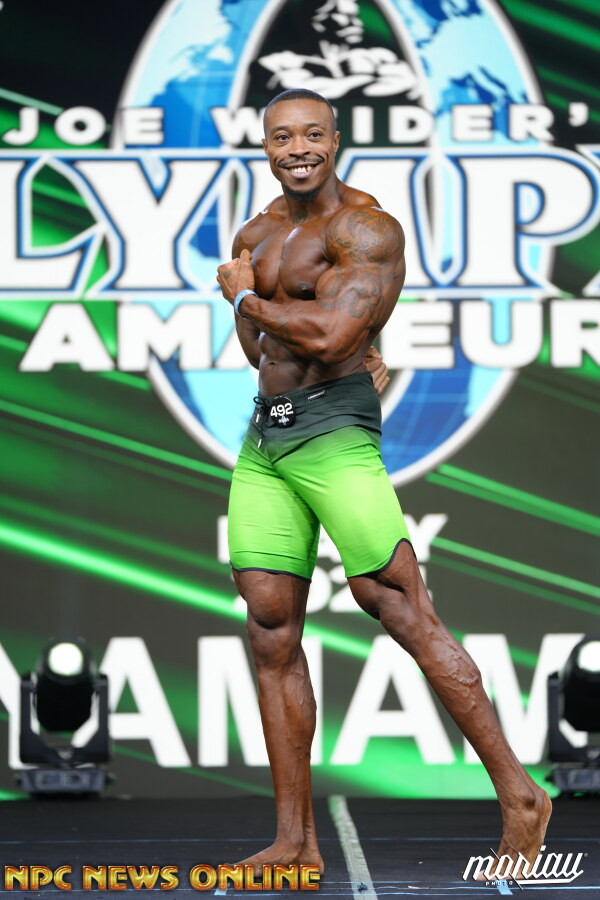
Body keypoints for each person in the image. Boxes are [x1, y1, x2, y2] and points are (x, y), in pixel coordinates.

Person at [216, 88, 551, 878]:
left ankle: (521, 796)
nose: (298, 149)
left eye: (312, 134)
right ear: (265, 146)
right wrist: (254, 305)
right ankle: (294, 844)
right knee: (270, 627)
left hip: (334, 429)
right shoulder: (254, 233)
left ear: (335, 140)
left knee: (399, 607)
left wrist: (246, 296)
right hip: (267, 438)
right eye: (282, 137)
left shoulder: (366, 228)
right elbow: (258, 350)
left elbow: (335, 333)